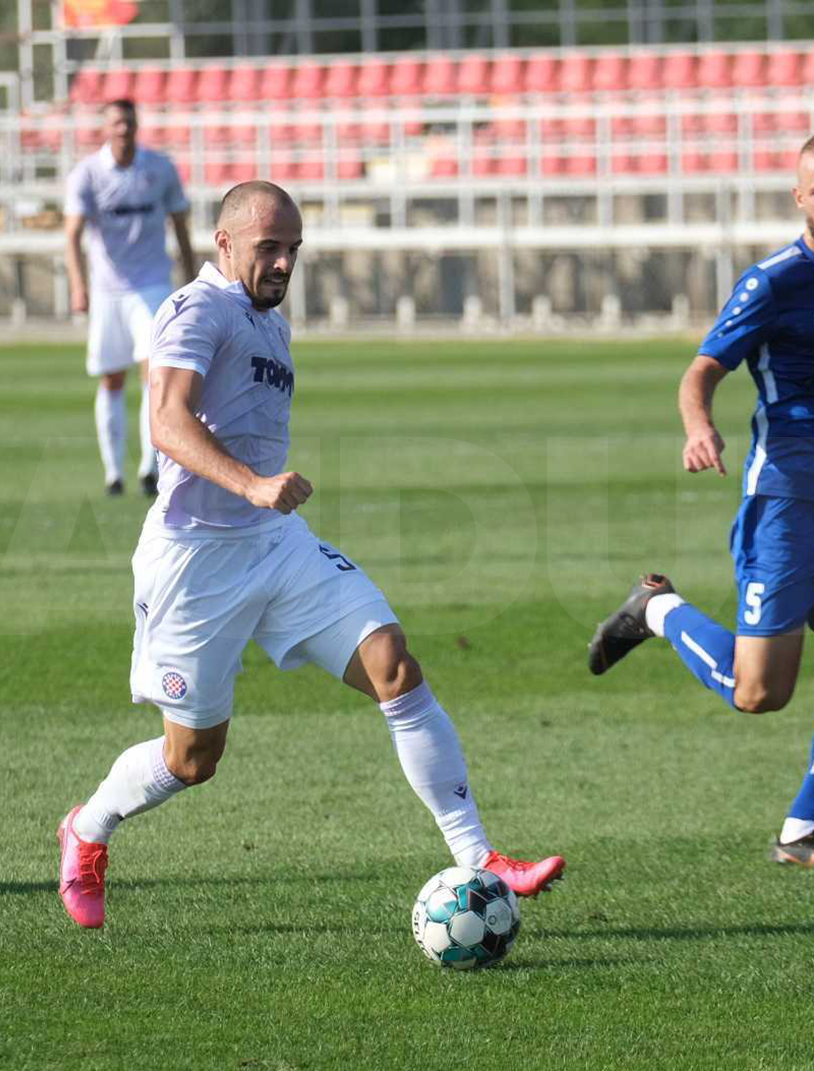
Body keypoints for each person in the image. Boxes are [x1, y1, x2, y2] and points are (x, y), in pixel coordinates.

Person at [56, 181, 565, 927]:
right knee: (193, 758)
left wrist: (261, 500)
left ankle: (478, 858)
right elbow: (165, 421)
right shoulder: (196, 310)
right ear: (223, 244)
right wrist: (252, 483)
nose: (287, 262)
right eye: (271, 247)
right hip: (195, 560)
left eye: (294, 248)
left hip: (275, 545)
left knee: (394, 663)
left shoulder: (269, 322)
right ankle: (89, 827)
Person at [586, 132, 814, 869]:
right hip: (784, 504)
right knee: (759, 694)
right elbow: (702, 370)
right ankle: (656, 610)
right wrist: (698, 427)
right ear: (798, 196)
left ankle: (800, 830)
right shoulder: (772, 282)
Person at [63, 98, 197, 497]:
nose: (124, 129)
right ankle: (112, 472)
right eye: (117, 122)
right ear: (106, 127)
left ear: (137, 125)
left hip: (152, 282)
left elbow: (180, 223)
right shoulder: (87, 174)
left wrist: (190, 276)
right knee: (112, 378)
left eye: (129, 122)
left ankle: (148, 467)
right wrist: (78, 284)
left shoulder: (159, 169)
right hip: (108, 288)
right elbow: (72, 234)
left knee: (154, 372)